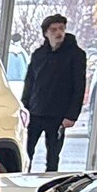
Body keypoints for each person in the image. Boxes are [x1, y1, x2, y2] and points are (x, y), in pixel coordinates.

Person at [21, 14, 87, 173]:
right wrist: (24, 107)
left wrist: (72, 115)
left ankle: (49, 189)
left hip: (58, 114)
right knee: (26, 152)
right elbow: (30, 82)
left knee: (52, 157)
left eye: (61, 29)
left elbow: (79, 87)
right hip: (35, 112)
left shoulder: (75, 55)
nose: (58, 33)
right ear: (46, 33)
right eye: (54, 29)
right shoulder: (39, 54)